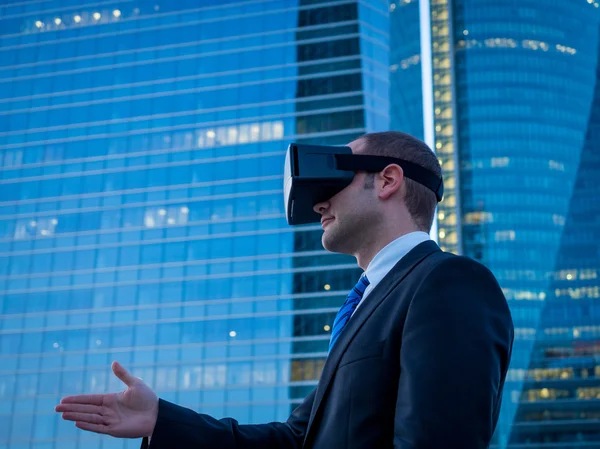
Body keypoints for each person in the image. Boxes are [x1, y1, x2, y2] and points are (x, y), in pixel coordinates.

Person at [56, 131, 514, 448]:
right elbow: (295, 440)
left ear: (388, 180)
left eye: (336, 178)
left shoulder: (448, 282)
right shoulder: (367, 306)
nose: (318, 201)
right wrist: (160, 419)